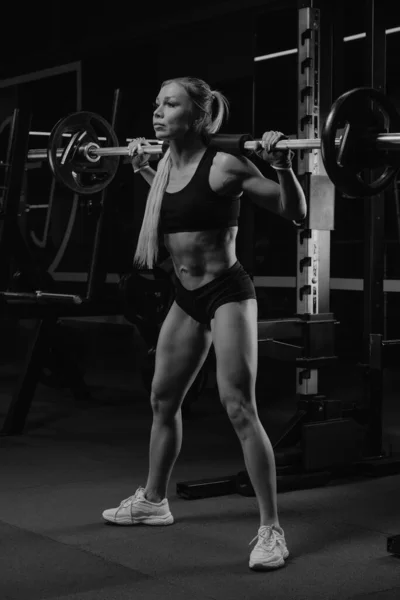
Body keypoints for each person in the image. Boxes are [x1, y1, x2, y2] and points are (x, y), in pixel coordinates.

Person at [102, 76, 307, 571]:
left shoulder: (226, 165)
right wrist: (143, 170)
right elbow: (176, 209)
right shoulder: (168, 165)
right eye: (156, 103)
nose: (157, 112)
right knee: (161, 399)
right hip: (185, 296)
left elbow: (295, 212)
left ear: (197, 116)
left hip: (227, 294)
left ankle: (271, 529)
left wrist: (282, 168)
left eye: (169, 104)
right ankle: (154, 500)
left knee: (239, 406)